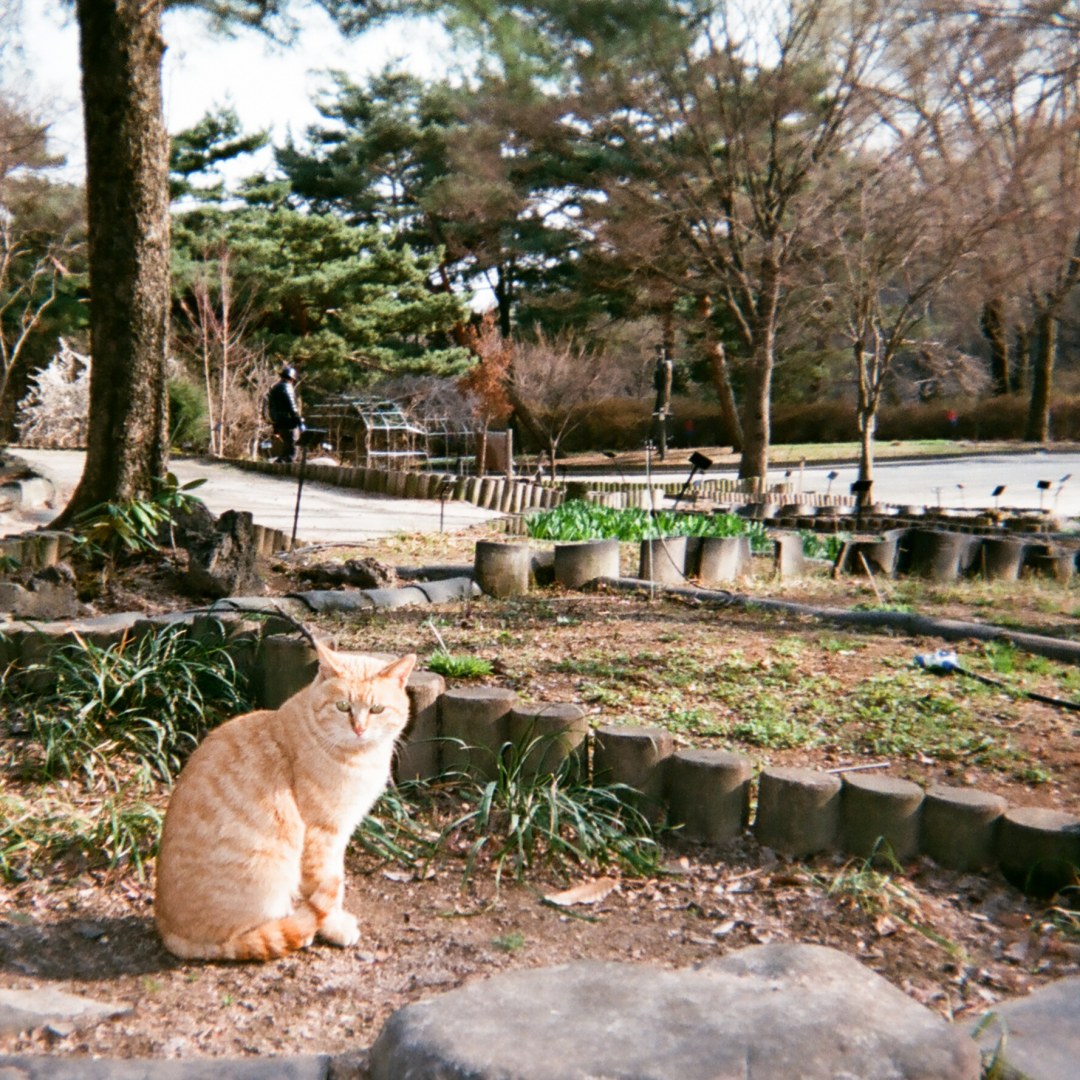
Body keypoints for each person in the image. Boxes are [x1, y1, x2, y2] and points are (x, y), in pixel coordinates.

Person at [267, 366, 302, 463]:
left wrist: (275, 426)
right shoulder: (287, 387)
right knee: (294, 444)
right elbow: (293, 407)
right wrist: (299, 422)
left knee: (287, 445)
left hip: (279, 421)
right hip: (289, 422)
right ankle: (290, 467)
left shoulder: (275, 387)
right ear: (291, 378)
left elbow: (272, 407)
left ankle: (280, 463)